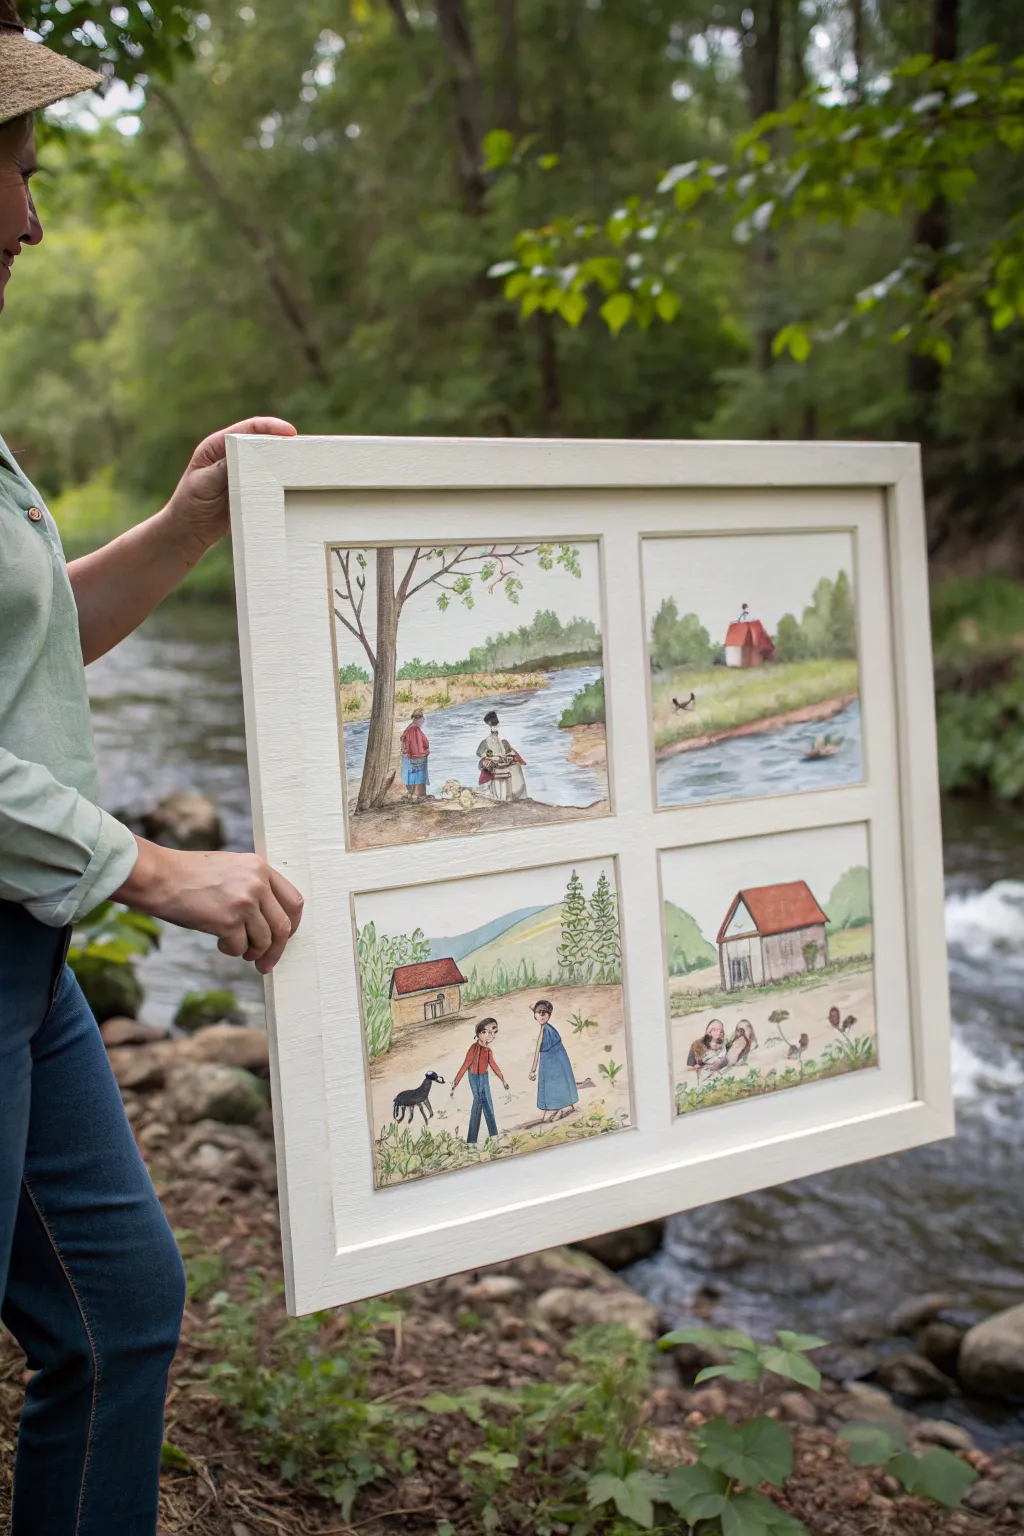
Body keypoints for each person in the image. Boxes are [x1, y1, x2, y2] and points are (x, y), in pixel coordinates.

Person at [0, 20, 303, 1531]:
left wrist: (188, 522)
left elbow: (29, 645)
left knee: (121, 1311)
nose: (33, 218)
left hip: (25, 961)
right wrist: (155, 866)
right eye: (16, 169)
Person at [450, 1017, 509, 1143]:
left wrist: (503, 1080)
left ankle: (485, 1137)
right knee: (481, 1102)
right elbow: (465, 1065)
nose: (490, 1035)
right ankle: (477, 1138)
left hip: (484, 1077)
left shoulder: (488, 1050)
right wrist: (455, 1082)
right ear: (478, 1033)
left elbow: (493, 1065)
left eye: (493, 1032)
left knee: (487, 1102)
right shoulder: (473, 1048)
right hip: (474, 1077)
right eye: (485, 1032)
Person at [528, 1001, 579, 1122]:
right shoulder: (547, 1029)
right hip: (550, 1063)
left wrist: (533, 1070)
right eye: (539, 1013)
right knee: (551, 1084)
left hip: (554, 1064)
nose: (542, 1015)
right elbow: (538, 1050)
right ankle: (560, 1107)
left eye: (545, 1013)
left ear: (549, 1015)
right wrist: (533, 1069)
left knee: (554, 1084)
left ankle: (560, 1107)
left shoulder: (548, 1031)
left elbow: (538, 1050)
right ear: (535, 1015)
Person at [476, 709, 527, 801]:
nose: (495, 727)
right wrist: (490, 756)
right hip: (494, 764)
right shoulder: (485, 741)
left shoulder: (503, 740)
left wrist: (510, 755)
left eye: (496, 725)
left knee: (516, 767)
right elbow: (479, 753)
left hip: (504, 763)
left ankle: (517, 794)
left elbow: (509, 752)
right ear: (490, 726)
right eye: (493, 726)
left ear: (498, 725)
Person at [400, 708, 430, 800]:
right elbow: (417, 748)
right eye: (423, 718)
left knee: (411, 776)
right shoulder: (415, 730)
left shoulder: (409, 728)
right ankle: (419, 795)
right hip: (416, 758)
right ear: (419, 718)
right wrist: (425, 752)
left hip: (408, 758)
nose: (424, 720)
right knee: (419, 774)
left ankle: (413, 794)